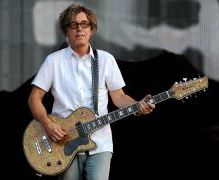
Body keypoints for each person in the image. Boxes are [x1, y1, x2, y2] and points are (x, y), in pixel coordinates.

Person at [28, 2, 155, 180]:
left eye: (84, 24)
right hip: (63, 142)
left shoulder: (106, 60)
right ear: (66, 31)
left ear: (91, 29)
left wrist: (137, 105)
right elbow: (34, 99)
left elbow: (118, 97)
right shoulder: (53, 61)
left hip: (100, 143)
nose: (79, 29)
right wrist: (48, 125)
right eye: (73, 25)